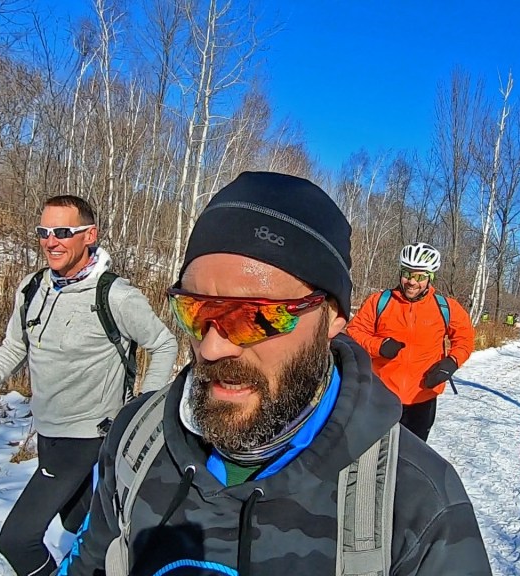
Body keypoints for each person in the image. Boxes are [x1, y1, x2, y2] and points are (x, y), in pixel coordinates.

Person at [59, 171, 491, 576]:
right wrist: (382, 346)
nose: (212, 347)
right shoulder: (137, 438)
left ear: (332, 317)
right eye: (194, 310)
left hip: (416, 397)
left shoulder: (418, 507)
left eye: (257, 317)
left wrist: (448, 363)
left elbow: (462, 337)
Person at [0, 195, 179, 576]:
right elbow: (14, 348)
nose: (51, 241)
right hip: (47, 432)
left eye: (63, 232)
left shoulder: (114, 295)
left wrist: (140, 409)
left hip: (89, 439)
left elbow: (163, 343)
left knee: (16, 540)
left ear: (89, 235)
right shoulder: (31, 289)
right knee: (82, 526)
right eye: (44, 232)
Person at [345, 242, 475, 442]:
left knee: (412, 455)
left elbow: (465, 338)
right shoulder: (379, 302)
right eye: (407, 273)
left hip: (422, 397)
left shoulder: (446, 307)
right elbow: (354, 332)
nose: (412, 282)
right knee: (375, 453)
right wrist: (379, 346)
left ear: (430, 278)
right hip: (382, 395)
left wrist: (452, 362)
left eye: (420, 276)